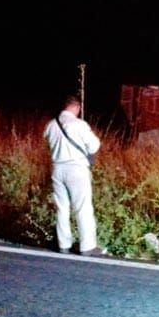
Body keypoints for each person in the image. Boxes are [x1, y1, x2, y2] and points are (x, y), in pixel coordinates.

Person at [43, 95, 104, 255]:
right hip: (76, 169)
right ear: (77, 108)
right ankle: (87, 246)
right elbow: (94, 146)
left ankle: (64, 245)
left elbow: (46, 144)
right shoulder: (79, 124)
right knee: (82, 207)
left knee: (61, 208)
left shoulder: (51, 125)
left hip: (57, 168)